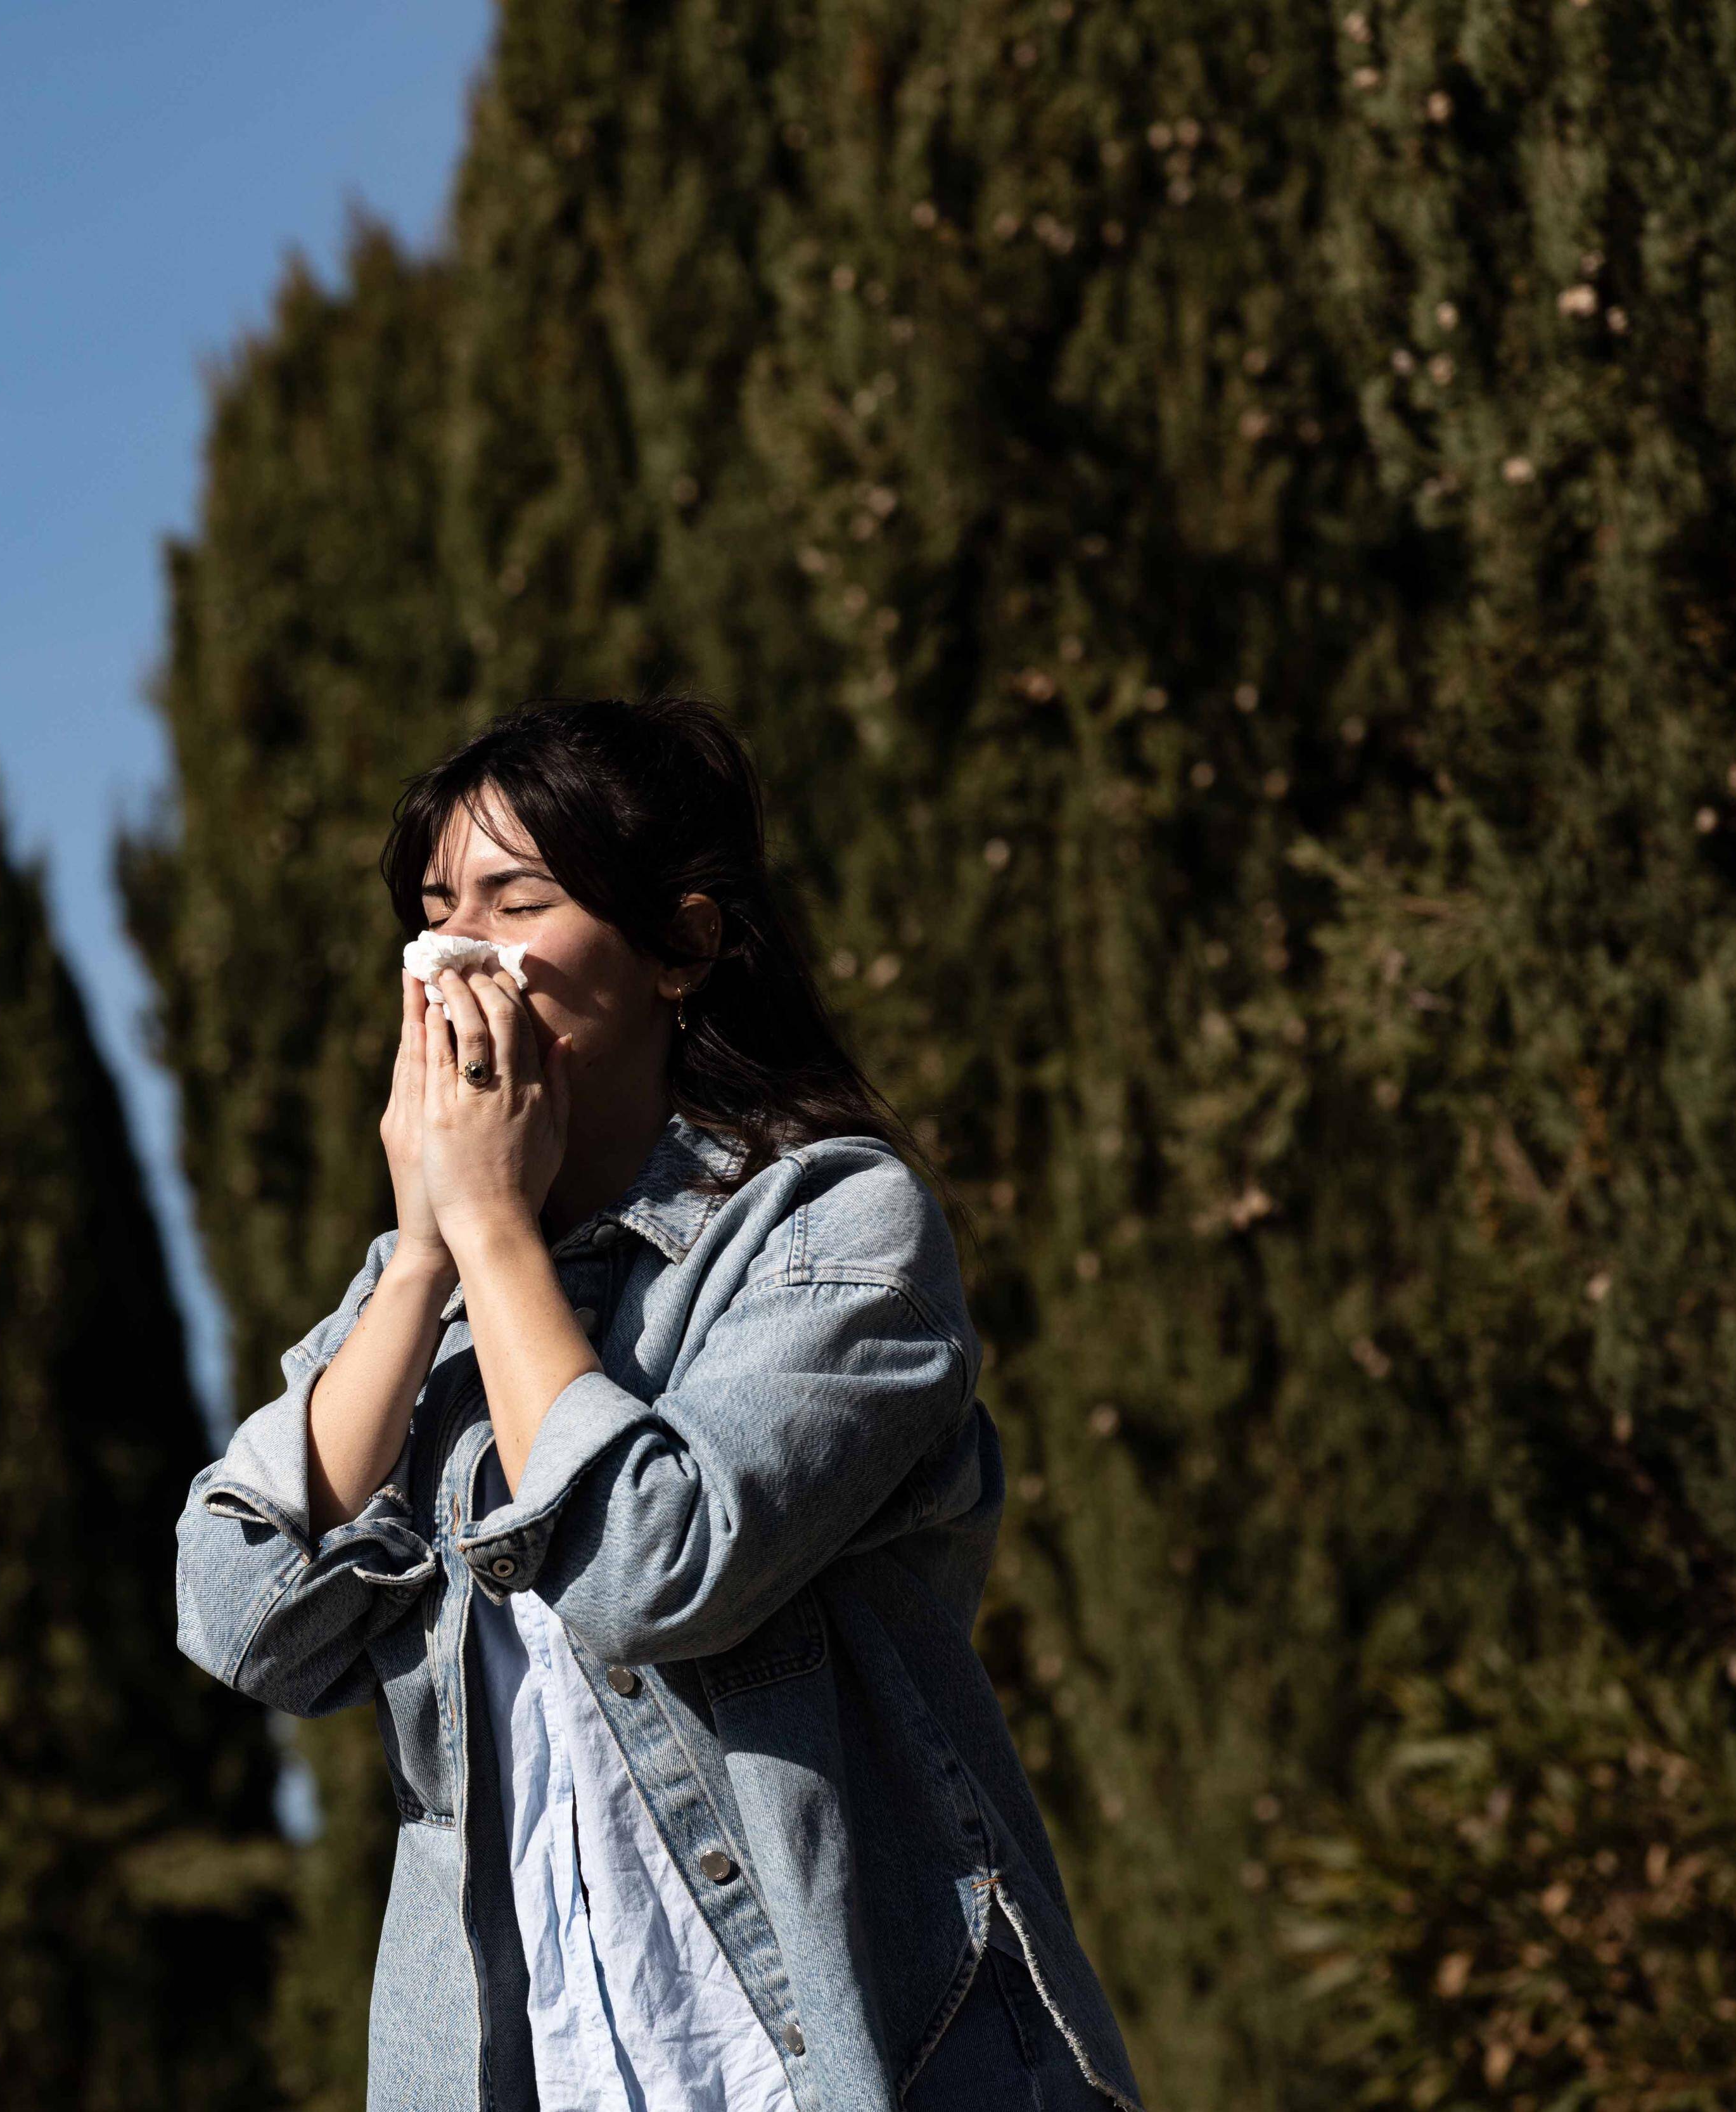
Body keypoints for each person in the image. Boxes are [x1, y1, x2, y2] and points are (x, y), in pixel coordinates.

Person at [175, 700, 1145, 2111]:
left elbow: (654, 1567)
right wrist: (427, 1258)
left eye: (518, 899)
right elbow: (238, 1611)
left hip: (860, 2057)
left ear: (680, 946)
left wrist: (491, 1229)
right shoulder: (432, 1291)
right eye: (435, 907)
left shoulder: (827, 1228)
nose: (455, 954)